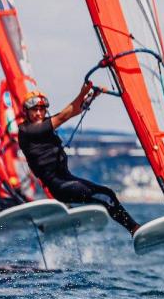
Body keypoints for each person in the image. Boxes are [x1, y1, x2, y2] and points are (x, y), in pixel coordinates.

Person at [17, 84, 140, 235]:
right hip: (59, 186)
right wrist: (83, 92)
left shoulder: (42, 125)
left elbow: (75, 110)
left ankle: (133, 228)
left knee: (107, 194)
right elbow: (64, 116)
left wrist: (91, 96)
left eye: (41, 109)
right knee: (104, 196)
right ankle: (134, 229)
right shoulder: (27, 130)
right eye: (34, 110)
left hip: (66, 180)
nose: (38, 113)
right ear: (26, 112)